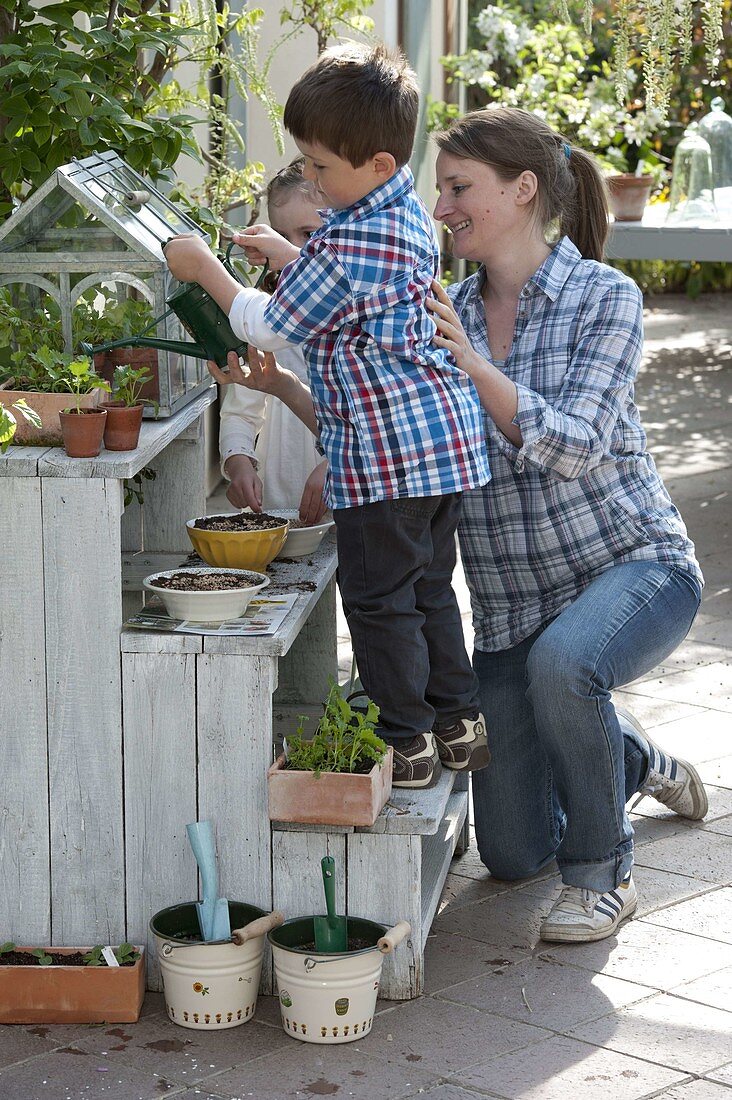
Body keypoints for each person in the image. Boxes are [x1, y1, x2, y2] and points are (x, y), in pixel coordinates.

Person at [164, 43, 491, 789]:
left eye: (320, 168)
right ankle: (459, 724)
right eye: (304, 163)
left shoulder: (347, 237)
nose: (309, 180)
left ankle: (403, 743)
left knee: (376, 600)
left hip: (385, 460)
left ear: (376, 163)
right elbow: (340, 283)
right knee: (429, 588)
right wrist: (290, 252)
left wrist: (204, 269)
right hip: (440, 449)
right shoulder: (398, 209)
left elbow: (269, 323)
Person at [426, 106, 706, 942]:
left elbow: (577, 445)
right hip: (514, 604)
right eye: (440, 190)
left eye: (458, 188)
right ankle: (637, 759)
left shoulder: (604, 298)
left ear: (522, 190)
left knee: (567, 662)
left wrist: (473, 368)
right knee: (512, 851)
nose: (442, 209)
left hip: (634, 566)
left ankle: (603, 878)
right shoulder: (447, 307)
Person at [219, 158, 328, 522]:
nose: (294, 249)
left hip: (353, 490)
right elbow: (241, 406)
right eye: (282, 238)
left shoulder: (354, 311)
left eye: (310, 234)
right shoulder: (264, 314)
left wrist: (336, 464)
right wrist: (238, 462)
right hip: (283, 502)